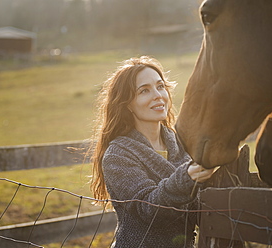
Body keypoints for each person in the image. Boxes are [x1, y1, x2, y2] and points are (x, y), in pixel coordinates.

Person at [89, 56, 215, 247]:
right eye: (144, 91)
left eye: (160, 86)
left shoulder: (181, 144)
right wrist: (187, 177)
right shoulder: (118, 155)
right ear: (127, 104)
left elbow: (202, 206)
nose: (158, 95)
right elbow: (148, 208)